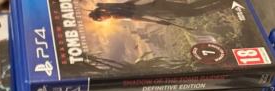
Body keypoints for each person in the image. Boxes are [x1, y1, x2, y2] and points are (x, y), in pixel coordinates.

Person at [89, 0, 231, 25]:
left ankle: (226, 3)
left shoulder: (115, 14)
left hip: (159, 10)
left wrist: (157, 21)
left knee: (193, 12)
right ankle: (225, 2)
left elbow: (137, 18)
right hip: (158, 5)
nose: (104, 19)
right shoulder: (115, 8)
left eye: (101, 18)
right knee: (192, 7)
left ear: (101, 15)